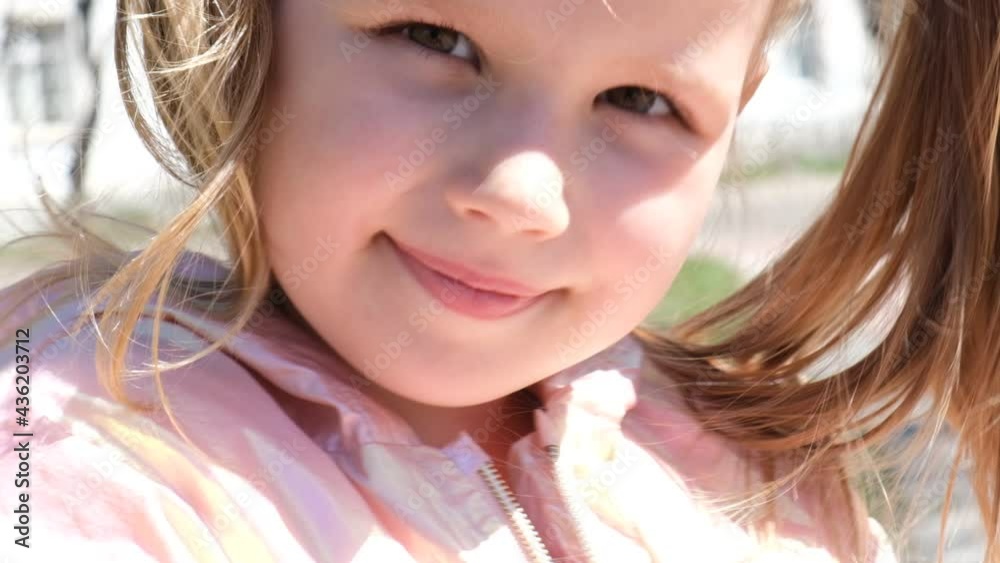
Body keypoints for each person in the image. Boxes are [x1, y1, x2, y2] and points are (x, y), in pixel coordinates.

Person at [8, 0, 981, 560]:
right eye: (435, 38)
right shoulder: (76, 455)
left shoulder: (760, 478)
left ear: (735, 116)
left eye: (639, 100)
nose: (521, 192)